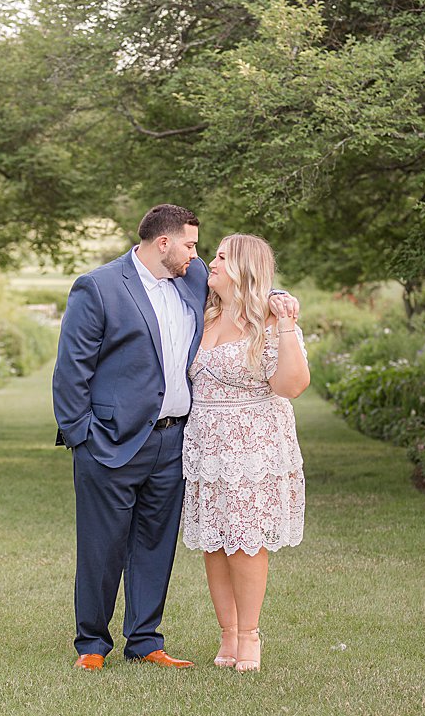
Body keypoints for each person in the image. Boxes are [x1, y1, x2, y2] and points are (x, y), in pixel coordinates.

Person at [51, 204, 299, 671]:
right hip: (110, 440)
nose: (198, 255)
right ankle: (92, 644)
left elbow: (249, 281)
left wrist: (281, 300)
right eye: (190, 244)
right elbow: (70, 373)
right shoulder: (99, 287)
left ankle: (145, 641)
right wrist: (82, 437)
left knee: (154, 544)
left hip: (176, 441)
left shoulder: (191, 277)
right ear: (163, 243)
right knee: (102, 545)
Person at [181, 234, 308, 672]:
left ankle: (250, 635)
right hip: (206, 444)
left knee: (245, 541)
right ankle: (228, 634)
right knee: (215, 542)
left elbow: (291, 386)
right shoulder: (205, 311)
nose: (208, 263)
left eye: (219, 257)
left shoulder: (271, 320)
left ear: (243, 268)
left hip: (253, 446)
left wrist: (287, 323)